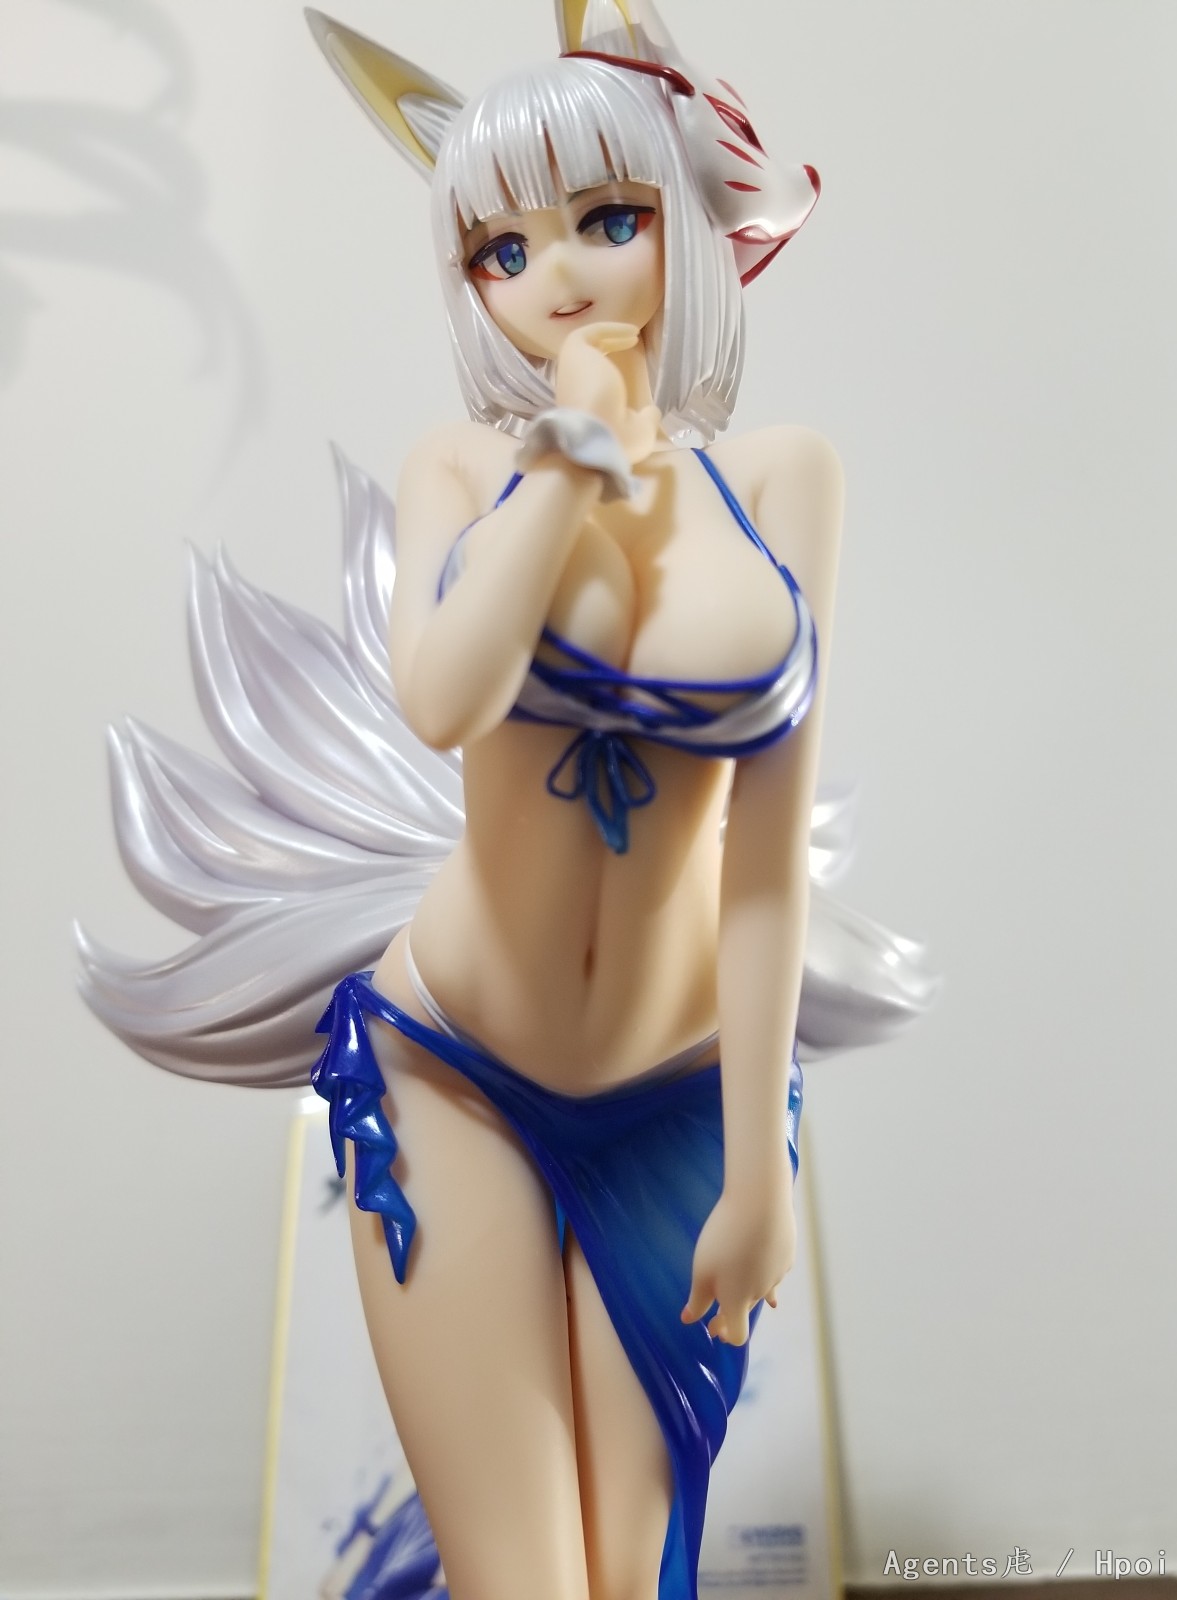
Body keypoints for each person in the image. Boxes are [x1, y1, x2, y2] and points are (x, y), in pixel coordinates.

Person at [78, 5, 939, 1598]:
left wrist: (762, 1169)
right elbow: (442, 699)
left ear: (683, 221)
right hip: (452, 1073)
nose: (558, 274)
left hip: (681, 1093)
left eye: (607, 220)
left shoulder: (786, 479)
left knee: (637, 1573)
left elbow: (762, 863)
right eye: (500, 247)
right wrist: (560, 476)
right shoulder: (465, 475)